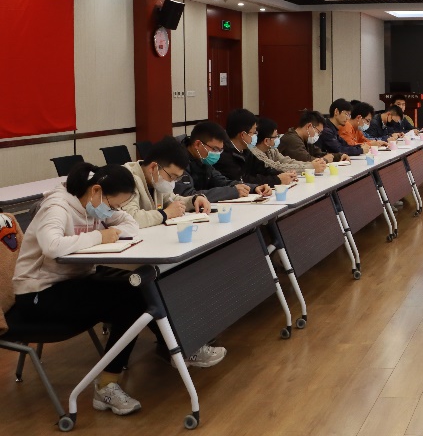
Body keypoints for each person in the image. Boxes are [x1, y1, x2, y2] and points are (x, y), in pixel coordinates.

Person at [11, 164, 147, 415]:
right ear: (96, 190)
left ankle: (172, 351)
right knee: (130, 300)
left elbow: (130, 224)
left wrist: (111, 228)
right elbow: (52, 246)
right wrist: (99, 236)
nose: (113, 211)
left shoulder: (93, 205)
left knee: (139, 289)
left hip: (74, 281)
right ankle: (106, 386)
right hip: (38, 294)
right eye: (112, 205)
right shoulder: (56, 207)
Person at [122, 136, 211, 227]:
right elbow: (130, 218)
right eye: (171, 176)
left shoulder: (155, 181)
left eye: (176, 178)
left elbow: (172, 200)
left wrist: (194, 200)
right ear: (153, 167)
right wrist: (165, 213)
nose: (172, 182)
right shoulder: (125, 179)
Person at [174, 122, 272, 202]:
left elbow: (222, 181)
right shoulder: (177, 161)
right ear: (198, 144)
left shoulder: (203, 160)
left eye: (220, 150)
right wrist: (232, 192)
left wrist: (253, 188)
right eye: (215, 149)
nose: (217, 154)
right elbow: (189, 195)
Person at [217, 109, 293, 187]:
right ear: (243, 135)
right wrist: (277, 180)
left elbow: (262, 168)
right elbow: (243, 180)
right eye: (254, 133)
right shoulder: (224, 155)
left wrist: (283, 175)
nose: (256, 136)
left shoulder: (245, 151)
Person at [251, 117, 327, 175]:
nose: (278, 138)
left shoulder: (271, 149)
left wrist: (311, 164)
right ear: (266, 141)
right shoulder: (255, 154)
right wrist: (310, 167)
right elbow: (277, 167)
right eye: (275, 136)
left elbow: (286, 161)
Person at [278, 110, 342, 166]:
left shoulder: (306, 139)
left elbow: (318, 154)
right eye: (318, 132)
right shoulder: (292, 139)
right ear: (309, 126)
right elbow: (306, 160)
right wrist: (325, 160)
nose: (318, 135)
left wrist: (338, 156)